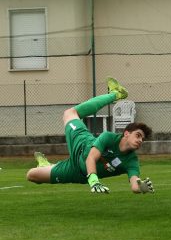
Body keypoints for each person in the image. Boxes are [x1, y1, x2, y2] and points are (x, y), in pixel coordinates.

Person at [26, 77, 154, 194]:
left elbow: (134, 184)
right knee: (70, 113)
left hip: (77, 172)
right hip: (80, 145)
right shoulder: (108, 137)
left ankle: (45, 166)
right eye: (138, 135)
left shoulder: (131, 161)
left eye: (142, 138)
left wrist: (141, 187)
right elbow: (91, 158)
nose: (140, 140)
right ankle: (115, 94)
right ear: (126, 133)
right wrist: (94, 181)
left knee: (32, 175)